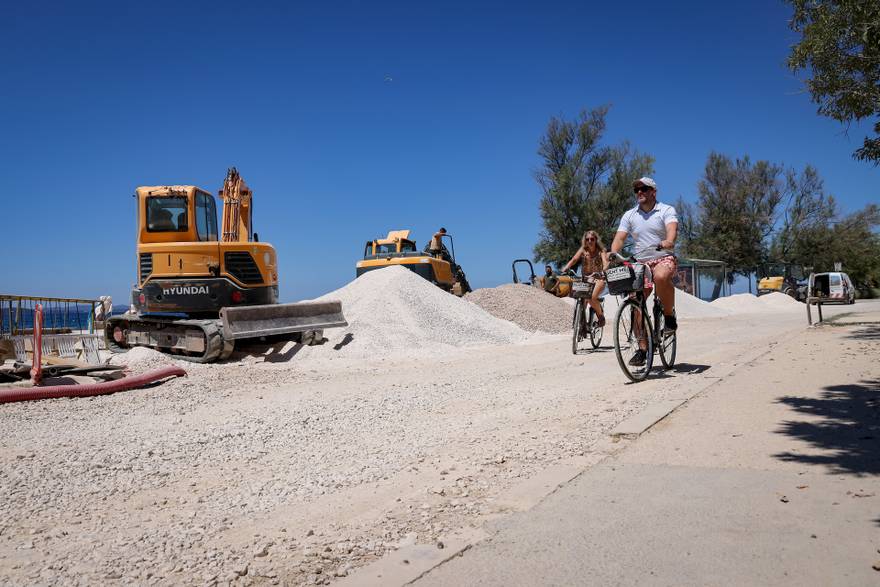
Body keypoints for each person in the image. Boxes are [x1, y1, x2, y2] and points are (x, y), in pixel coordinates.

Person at [610, 176, 678, 366]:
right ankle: (642, 349)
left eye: (644, 189)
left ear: (653, 192)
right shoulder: (630, 215)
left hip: (663, 256)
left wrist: (669, 241)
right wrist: (613, 252)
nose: (639, 192)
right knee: (634, 302)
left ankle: (669, 316)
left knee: (661, 276)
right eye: (636, 190)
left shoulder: (666, 210)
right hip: (641, 263)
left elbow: (672, 229)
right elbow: (620, 238)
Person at [560, 230, 609, 327]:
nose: (590, 241)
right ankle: (582, 325)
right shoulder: (583, 250)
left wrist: (602, 271)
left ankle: (600, 316)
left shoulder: (601, 250)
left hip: (598, 278)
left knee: (592, 297)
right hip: (586, 278)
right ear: (585, 241)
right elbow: (574, 259)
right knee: (581, 300)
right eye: (587, 239)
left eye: (592, 239)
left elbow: (605, 263)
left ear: (596, 240)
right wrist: (566, 268)